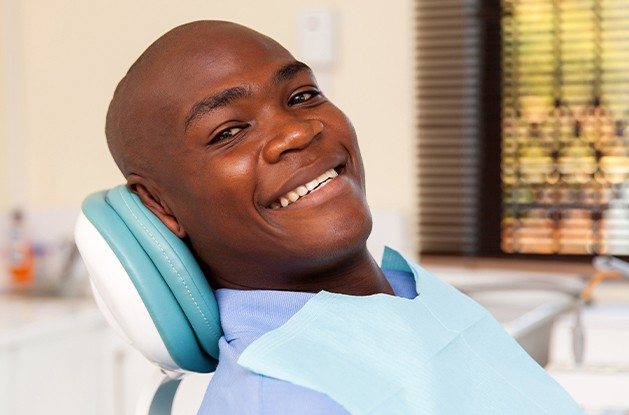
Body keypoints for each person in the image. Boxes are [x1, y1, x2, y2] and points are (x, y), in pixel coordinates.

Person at [105, 21, 582, 414]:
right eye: (229, 131)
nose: (295, 132)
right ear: (159, 205)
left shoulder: (411, 294)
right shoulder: (280, 398)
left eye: (301, 96)